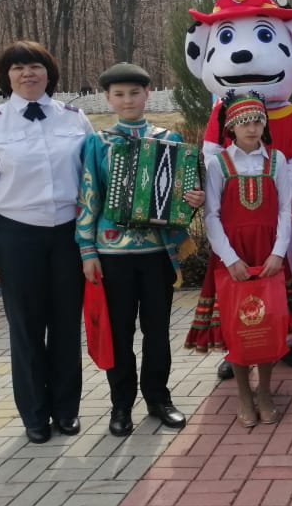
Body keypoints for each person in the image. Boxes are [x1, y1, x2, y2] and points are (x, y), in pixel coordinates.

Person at [0, 41, 93, 444]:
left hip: (68, 234)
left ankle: (66, 409)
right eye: (17, 68)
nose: (27, 74)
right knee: (26, 327)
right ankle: (35, 414)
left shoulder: (74, 117)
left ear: (48, 72)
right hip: (17, 234)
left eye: (35, 66)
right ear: (7, 77)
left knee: (66, 325)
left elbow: (94, 173)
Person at [76, 63, 205, 436]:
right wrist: (86, 249)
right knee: (119, 333)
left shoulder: (170, 139)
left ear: (147, 94)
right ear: (108, 98)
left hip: (156, 253)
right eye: (119, 94)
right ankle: (120, 404)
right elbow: (88, 197)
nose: (127, 100)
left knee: (157, 330)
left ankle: (158, 398)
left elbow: (183, 198)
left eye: (134, 93)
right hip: (111, 255)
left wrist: (193, 200)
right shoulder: (98, 143)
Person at [187, 93, 292, 426]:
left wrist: (278, 252)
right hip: (232, 255)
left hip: (268, 252)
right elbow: (212, 215)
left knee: (268, 322)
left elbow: (285, 211)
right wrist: (230, 258)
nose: (252, 127)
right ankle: (244, 393)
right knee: (238, 324)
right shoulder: (218, 164)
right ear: (231, 127)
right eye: (244, 122)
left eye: (258, 120)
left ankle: (265, 391)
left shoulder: (277, 161)